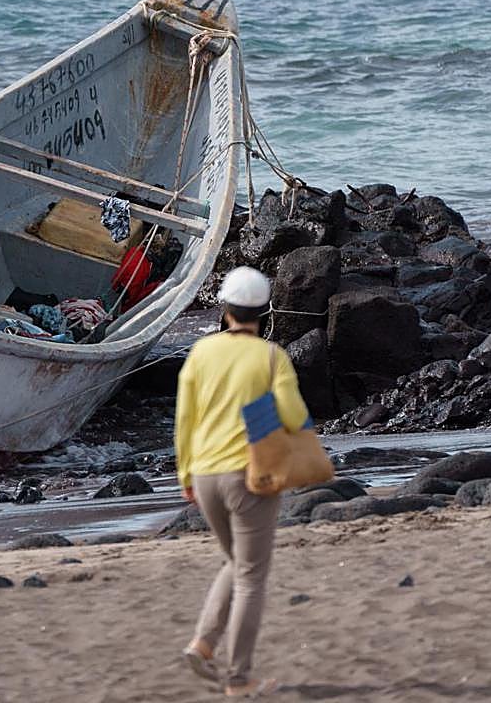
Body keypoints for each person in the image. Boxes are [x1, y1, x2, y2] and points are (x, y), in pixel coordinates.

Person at [175, 266, 310, 698]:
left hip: (205, 475)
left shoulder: (201, 352)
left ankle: (203, 644)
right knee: (251, 576)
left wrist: (185, 474)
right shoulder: (271, 356)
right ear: (265, 312)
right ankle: (238, 678)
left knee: (236, 562)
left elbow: (184, 420)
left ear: (225, 310)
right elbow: (294, 416)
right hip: (249, 476)